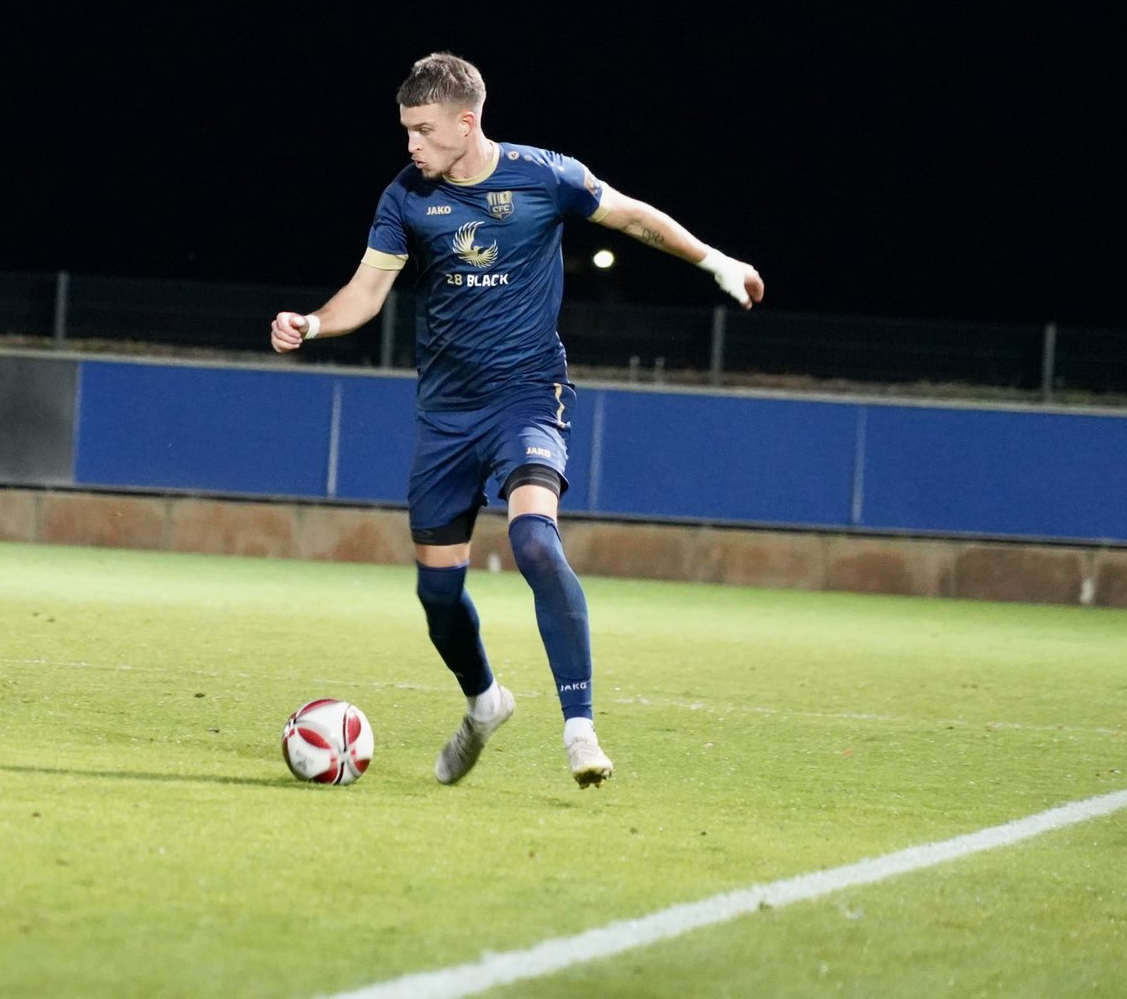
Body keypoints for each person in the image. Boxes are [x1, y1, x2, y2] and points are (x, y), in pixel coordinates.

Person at [270, 53, 764, 789]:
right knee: (438, 596)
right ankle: (485, 703)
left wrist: (716, 262)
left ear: (466, 122)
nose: (411, 144)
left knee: (534, 539)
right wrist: (311, 324)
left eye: (423, 130)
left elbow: (634, 217)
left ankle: (580, 729)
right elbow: (367, 292)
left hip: (528, 396)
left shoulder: (545, 176)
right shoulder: (406, 196)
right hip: (446, 415)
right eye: (406, 129)